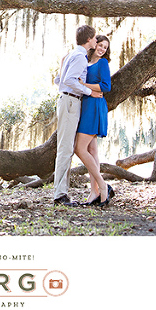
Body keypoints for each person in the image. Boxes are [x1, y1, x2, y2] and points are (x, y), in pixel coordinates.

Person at [52, 25, 101, 206]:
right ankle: (60, 195)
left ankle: (61, 193)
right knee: (65, 149)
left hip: (68, 101)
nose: (96, 41)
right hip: (71, 101)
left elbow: (58, 80)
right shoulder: (80, 57)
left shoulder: (72, 55)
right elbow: (68, 81)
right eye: (94, 38)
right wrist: (89, 92)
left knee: (66, 148)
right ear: (88, 39)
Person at [74, 34, 114, 207]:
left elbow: (106, 86)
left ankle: (103, 186)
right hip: (87, 105)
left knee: (79, 148)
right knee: (92, 150)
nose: (102, 49)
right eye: (101, 45)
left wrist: (84, 85)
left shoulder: (102, 63)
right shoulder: (85, 61)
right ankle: (94, 192)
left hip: (95, 106)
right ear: (94, 44)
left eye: (105, 47)